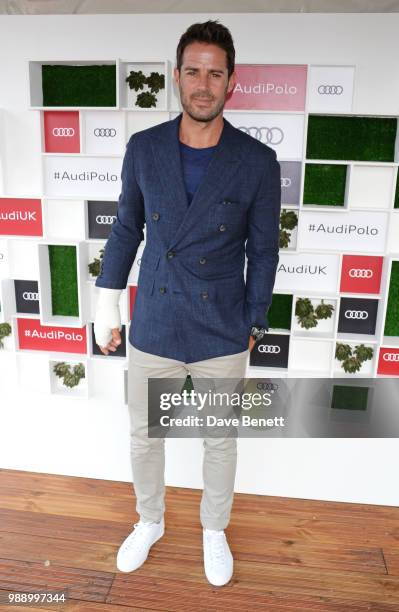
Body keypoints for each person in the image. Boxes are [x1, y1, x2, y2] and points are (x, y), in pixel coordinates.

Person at [94, 19, 281, 587]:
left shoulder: (257, 161)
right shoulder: (144, 147)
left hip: (221, 325)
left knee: (219, 437)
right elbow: (126, 230)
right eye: (193, 71)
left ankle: (213, 529)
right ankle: (150, 520)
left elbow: (265, 251)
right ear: (177, 76)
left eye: (215, 73)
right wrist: (107, 305)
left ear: (232, 81)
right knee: (145, 433)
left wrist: (253, 321)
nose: (203, 84)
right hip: (154, 317)